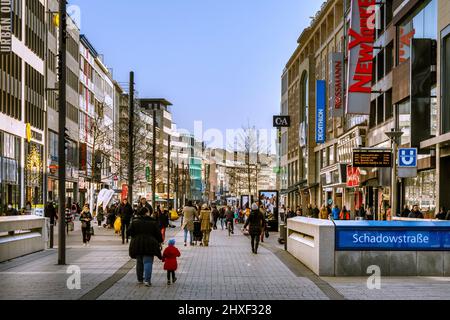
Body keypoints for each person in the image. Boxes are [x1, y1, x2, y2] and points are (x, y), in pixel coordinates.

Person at [128, 206, 163, 287]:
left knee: (139, 262)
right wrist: (160, 241)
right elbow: (158, 234)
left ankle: (140, 279)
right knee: (148, 261)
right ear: (146, 213)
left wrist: (135, 235)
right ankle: (147, 280)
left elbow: (129, 232)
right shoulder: (153, 222)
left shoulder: (135, 221)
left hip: (137, 243)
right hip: (150, 243)